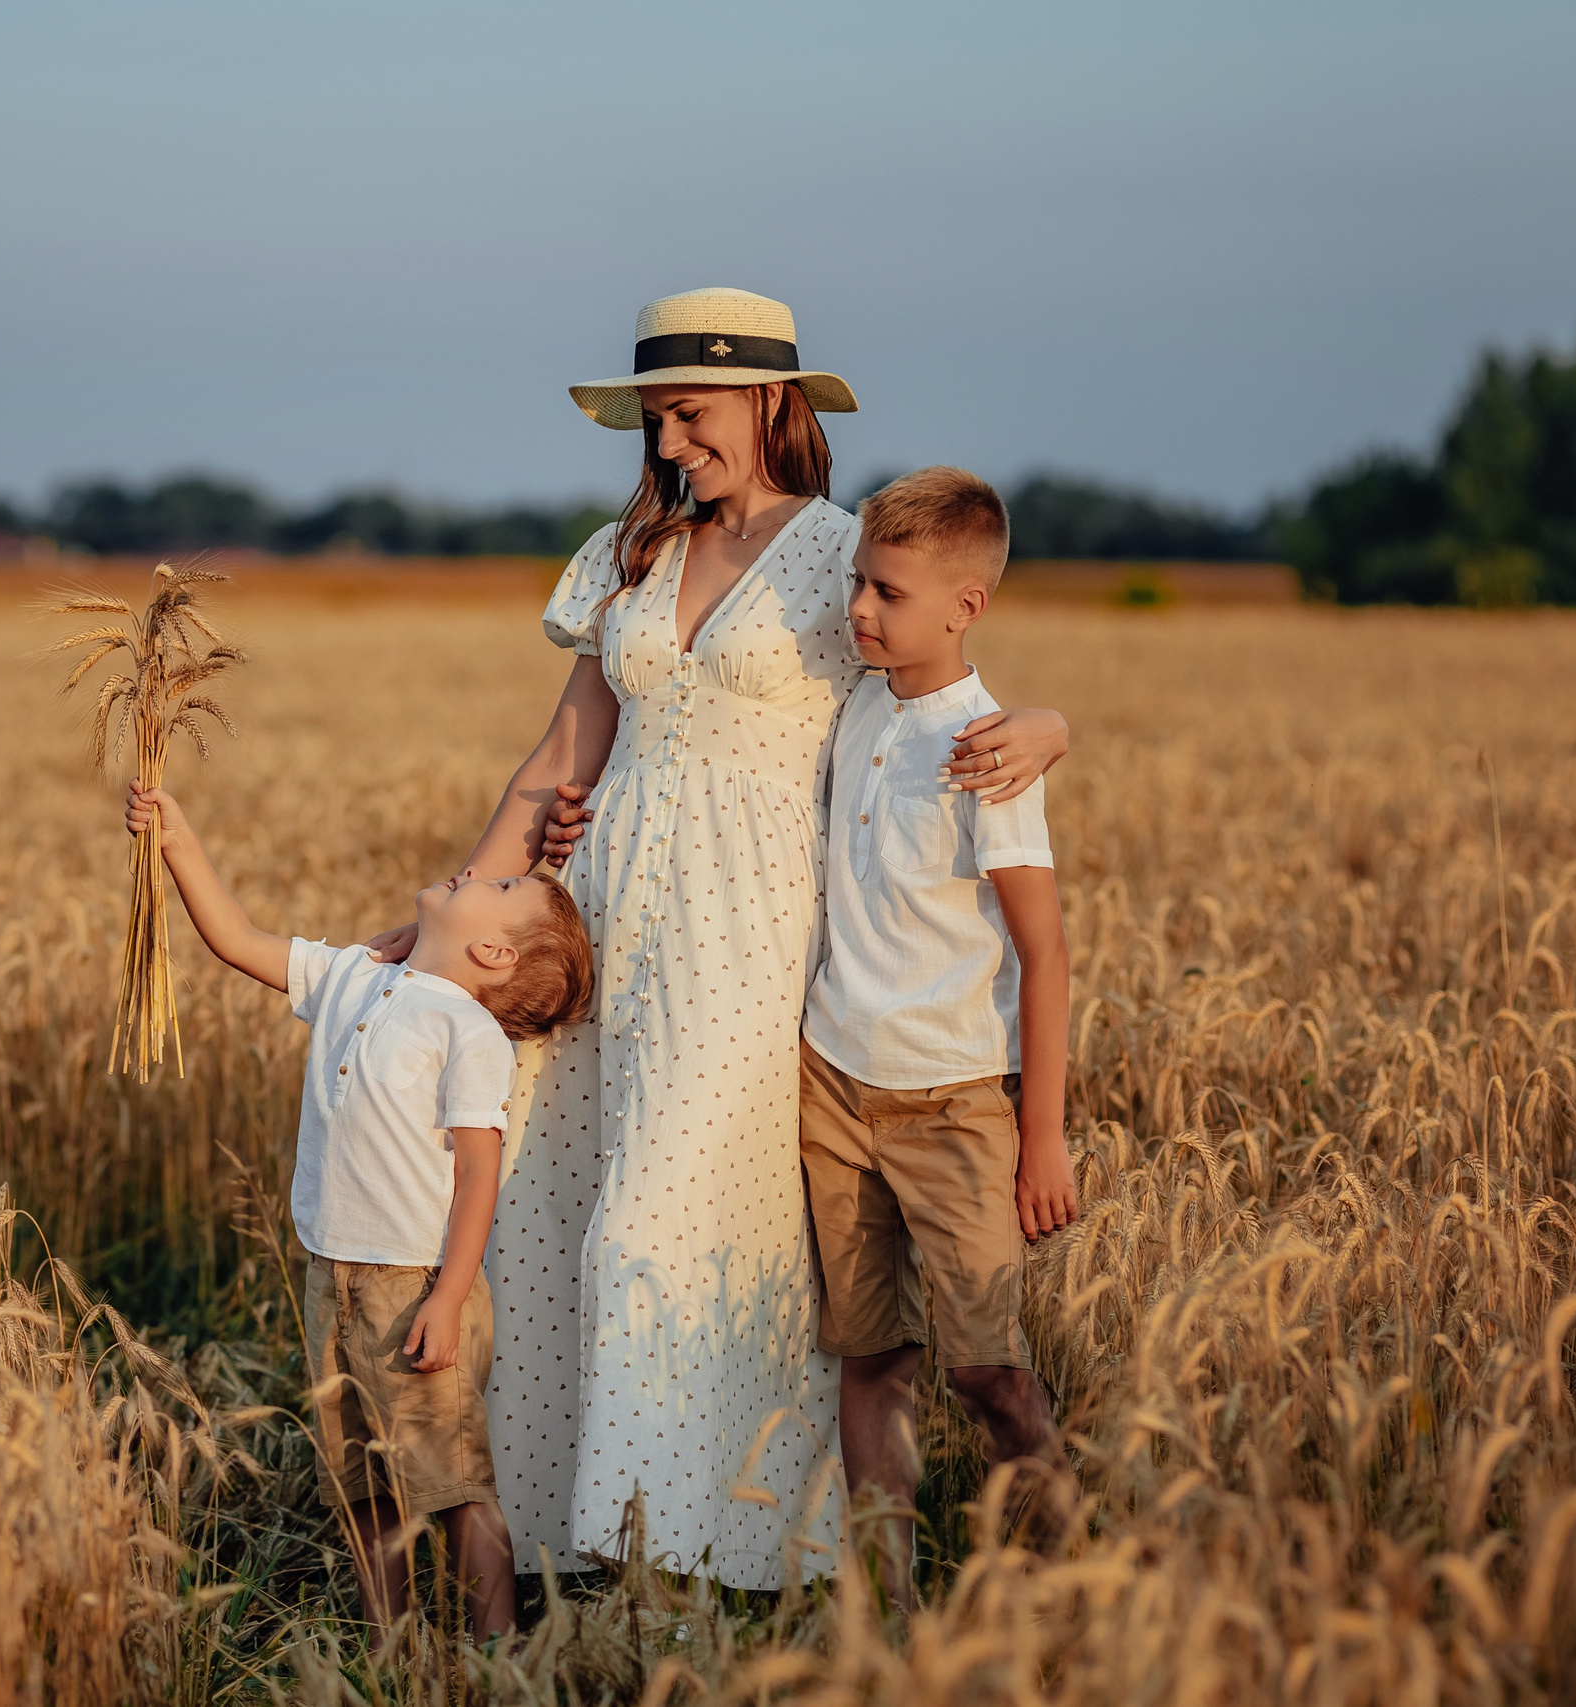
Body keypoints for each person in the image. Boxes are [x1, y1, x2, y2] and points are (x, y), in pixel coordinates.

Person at [374, 287, 1072, 1592]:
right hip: (603, 913)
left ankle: (697, 1548)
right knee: (560, 1217)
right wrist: (446, 919)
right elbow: (562, 750)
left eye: (691, 414)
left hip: (753, 933)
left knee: (660, 1227)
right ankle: (593, 1548)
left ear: (767, 403)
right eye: (654, 419)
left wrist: (1050, 724)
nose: (669, 442)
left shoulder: (841, 555)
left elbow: (942, 679)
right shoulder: (628, 551)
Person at [123, 781, 594, 1639]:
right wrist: (175, 838)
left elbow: (478, 1176)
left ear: (493, 952)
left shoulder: (467, 1033)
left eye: (498, 885)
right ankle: (390, 1644)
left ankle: (499, 1647)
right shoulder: (354, 975)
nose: (474, 871)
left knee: (454, 1482)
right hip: (329, 1275)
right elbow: (237, 940)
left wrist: (449, 1296)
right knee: (364, 1487)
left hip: (414, 1289)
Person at [796, 467, 1079, 1607]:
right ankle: (889, 1606)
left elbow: (1044, 951)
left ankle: (1060, 1591)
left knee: (988, 1371)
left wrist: (1041, 1135)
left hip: (953, 1100)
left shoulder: (990, 751)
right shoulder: (858, 701)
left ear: (966, 607)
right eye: (859, 583)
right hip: (831, 1084)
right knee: (871, 1357)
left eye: (889, 593)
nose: (860, 609)